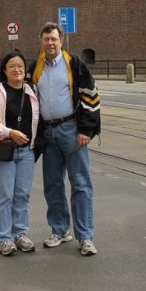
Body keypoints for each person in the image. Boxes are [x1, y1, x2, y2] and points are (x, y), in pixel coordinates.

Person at [29, 22, 100, 256]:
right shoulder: (35, 67)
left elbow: (91, 96)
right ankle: (59, 230)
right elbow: (17, 88)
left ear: (61, 41)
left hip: (72, 129)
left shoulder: (75, 64)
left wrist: (86, 130)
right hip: (48, 133)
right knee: (53, 184)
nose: (50, 43)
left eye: (54, 39)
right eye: (46, 39)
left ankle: (85, 236)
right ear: (41, 41)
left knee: (80, 183)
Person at [0, 51, 40, 256]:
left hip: (26, 152)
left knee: (22, 195)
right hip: (3, 149)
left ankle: (20, 234)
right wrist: (9, 132)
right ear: (4, 70)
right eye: (12, 66)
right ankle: (4, 238)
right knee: (4, 196)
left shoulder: (33, 90)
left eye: (20, 66)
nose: (17, 70)